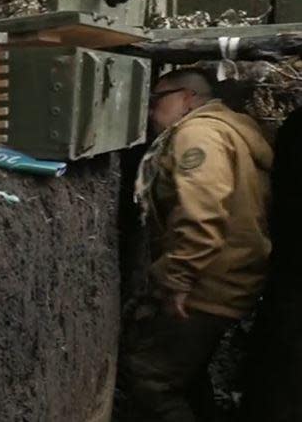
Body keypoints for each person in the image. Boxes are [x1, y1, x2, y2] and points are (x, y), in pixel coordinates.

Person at [122, 68, 273, 422]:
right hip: (232, 279)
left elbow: (202, 214)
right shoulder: (232, 129)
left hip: (206, 287)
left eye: (157, 100)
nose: (150, 112)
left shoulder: (198, 134)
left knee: (150, 381)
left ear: (188, 98)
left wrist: (178, 278)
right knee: (184, 379)